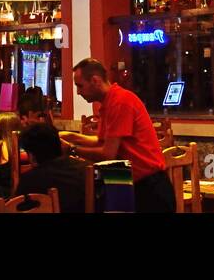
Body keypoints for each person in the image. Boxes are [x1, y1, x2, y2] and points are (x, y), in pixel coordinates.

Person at [61, 58, 173, 213]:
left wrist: (72, 149)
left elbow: (107, 154)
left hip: (150, 188)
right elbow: (102, 142)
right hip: (132, 182)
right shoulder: (110, 101)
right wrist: (71, 137)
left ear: (95, 81)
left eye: (80, 86)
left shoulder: (119, 102)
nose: (78, 92)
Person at [16, 122, 91, 213]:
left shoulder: (30, 180)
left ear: (31, 156)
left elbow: (17, 209)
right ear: (60, 145)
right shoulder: (87, 169)